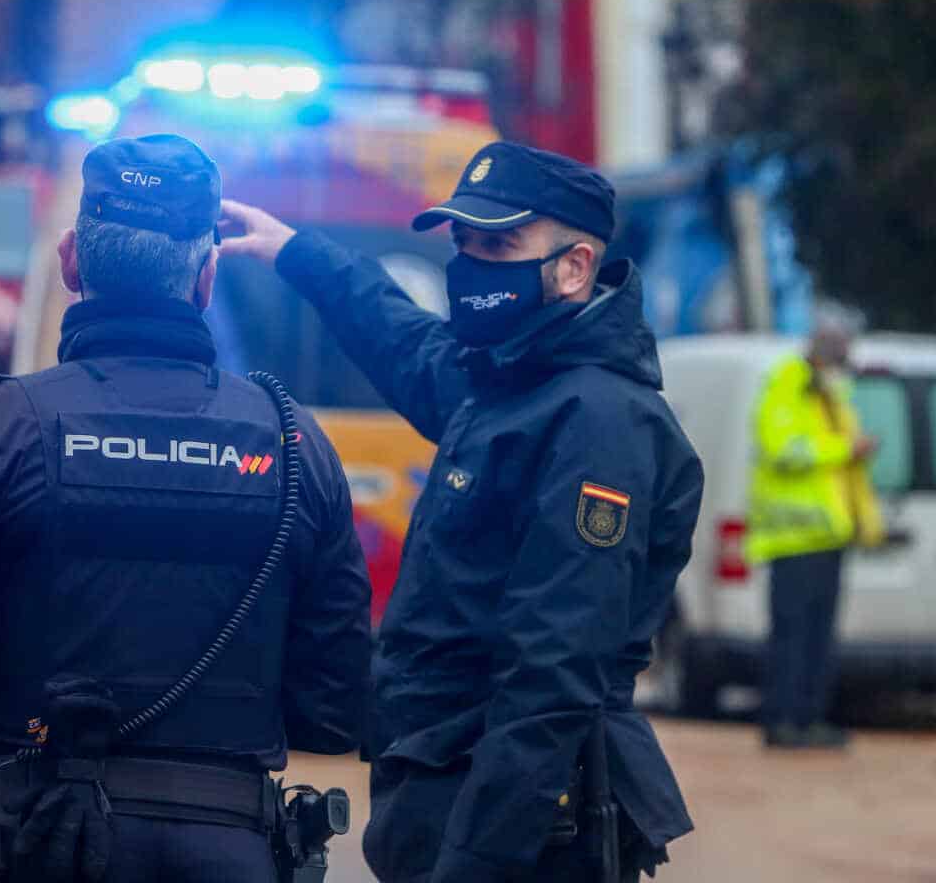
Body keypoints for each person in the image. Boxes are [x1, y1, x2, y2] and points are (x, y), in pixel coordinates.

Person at [0, 134, 371, 882]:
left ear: (72, 262)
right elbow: (337, 708)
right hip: (231, 848)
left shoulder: (2, 426)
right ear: (205, 278)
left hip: (41, 843)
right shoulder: (291, 441)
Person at [221, 140, 705, 882]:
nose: (474, 264)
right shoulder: (506, 384)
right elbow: (405, 342)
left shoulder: (596, 424)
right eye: (466, 243)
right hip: (441, 796)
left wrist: (474, 862)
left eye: (501, 243)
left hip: (519, 830)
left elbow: (553, 674)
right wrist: (298, 254)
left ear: (574, 267)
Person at [746, 312, 883, 749]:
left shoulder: (829, 390)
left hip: (827, 536)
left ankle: (809, 719)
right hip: (794, 538)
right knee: (793, 635)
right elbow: (781, 447)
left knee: (818, 637)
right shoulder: (789, 381)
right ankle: (783, 720)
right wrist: (844, 449)